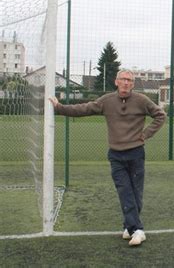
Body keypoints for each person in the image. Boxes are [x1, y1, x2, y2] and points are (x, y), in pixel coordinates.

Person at [49, 69, 166, 246]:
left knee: (136, 193)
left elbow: (160, 115)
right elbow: (84, 109)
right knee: (124, 191)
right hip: (116, 155)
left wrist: (145, 134)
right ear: (116, 82)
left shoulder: (142, 100)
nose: (126, 82)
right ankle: (138, 230)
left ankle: (129, 227)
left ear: (133, 84)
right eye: (123, 79)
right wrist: (59, 107)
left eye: (129, 80)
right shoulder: (107, 101)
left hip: (136, 153)